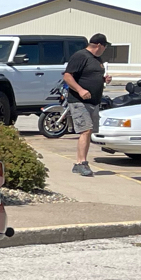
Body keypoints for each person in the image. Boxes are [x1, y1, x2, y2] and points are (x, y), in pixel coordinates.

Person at [62, 33, 113, 174]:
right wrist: (80, 90)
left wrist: (103, 79)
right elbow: (67, 75)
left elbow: (90, 76)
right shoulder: (81, 56)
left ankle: (79, 162)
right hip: (79, 101)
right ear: (98, 45)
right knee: (85, 130)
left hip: (93, 101)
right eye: (105, 46)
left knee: (88, 131)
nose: (105, 49)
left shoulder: (97, 59)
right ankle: (81, 162)